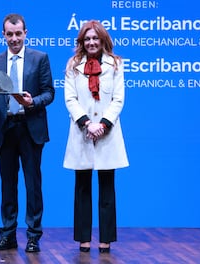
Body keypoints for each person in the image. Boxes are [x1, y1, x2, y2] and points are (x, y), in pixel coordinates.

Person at [0, 13, 55, 253]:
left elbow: (49, 93)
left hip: (31, 128)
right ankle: (8, 235)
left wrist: (32, 102)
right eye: (10, 34)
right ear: (3, 35)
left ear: (26, 33)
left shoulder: (40, 58)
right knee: (8, 184)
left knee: (33, 185)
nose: (14, 38)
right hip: (5, 129)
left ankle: (33, 236)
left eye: (18, 33)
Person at [63, 20, 129, 253]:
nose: (91, 43)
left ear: (102, 41)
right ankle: (83, 238)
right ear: (82, 42)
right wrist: (87, 123)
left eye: (95, 38)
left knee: (107, 188)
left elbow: (118, 99)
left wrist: (103, 124)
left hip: (107, 133)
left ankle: (106, 239)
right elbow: (70, 99)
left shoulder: (116, 64)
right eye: (87, 39)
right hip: (83, 132)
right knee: (82, 188)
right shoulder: (73, 65)